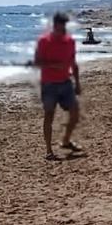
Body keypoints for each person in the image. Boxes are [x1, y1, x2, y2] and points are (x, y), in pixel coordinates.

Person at [34, 12, 82, 161]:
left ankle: (65, 140)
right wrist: (55, 65)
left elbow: (73, 62)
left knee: (75, 113)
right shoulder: (44, 41)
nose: (63, 28)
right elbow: (37, 62)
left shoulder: (69, 41)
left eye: (64, 26)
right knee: (49, 115)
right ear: (55, 25)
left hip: (65, 82)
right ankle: (49, 150)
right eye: (61, 25)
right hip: (49, 84)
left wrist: (77, 82)